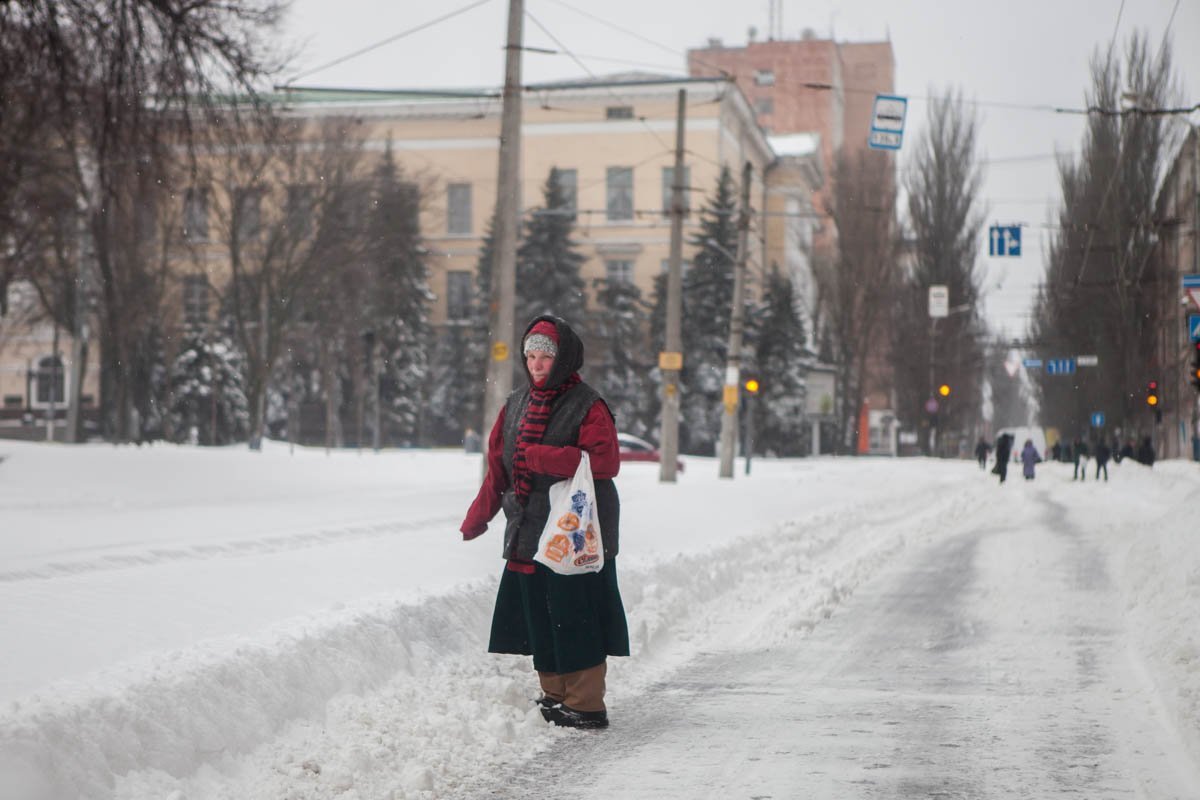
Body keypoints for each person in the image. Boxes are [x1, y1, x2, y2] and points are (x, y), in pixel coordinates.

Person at [459, 316, 629, 730]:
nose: (536, 365)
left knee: (575, 611)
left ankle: (586, 702)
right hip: (529, 526)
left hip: (577, 530)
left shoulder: (588, 404)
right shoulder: (516, 402)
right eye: (530, 356)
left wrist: (543, 457)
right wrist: (478, 515)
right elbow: (498, 467)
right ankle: (555, 694)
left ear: (564, 358)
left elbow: (605, 463)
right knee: (539, 611)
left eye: (545, 357)